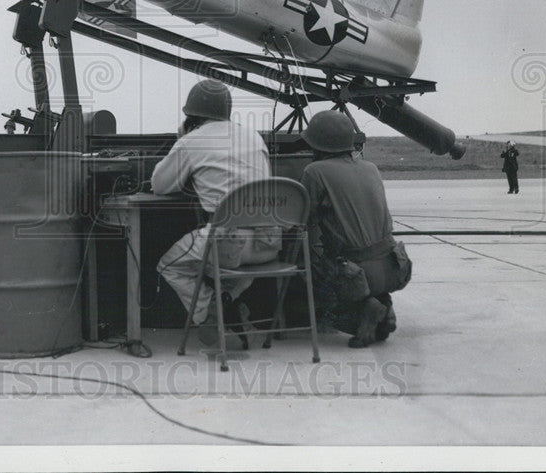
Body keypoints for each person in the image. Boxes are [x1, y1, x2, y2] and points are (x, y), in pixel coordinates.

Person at [153, 79, 279, 345]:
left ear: (192, 116)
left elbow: (160, 186)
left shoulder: (192, 140)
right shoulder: (254, 136)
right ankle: (228, 302)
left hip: (228, 246)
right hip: (268, 247)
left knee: (169, 265)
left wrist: (182, 142)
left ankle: (210, 312)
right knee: (238, 273)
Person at [299, 110, 412, 348]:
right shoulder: (370, 167)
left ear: (318, 145)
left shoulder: (315, 171)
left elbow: (304, 221)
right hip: (394, 267)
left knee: (307, 270)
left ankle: (365, 311)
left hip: (356, 273)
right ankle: (384, 309)